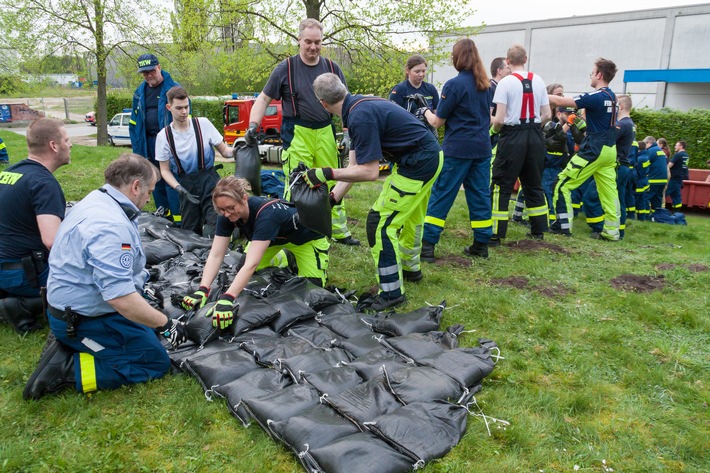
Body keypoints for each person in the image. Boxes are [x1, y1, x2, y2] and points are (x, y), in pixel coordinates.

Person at [23, 154, 187, 400]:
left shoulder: (99, 199)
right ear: (135, 186)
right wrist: (166, 324)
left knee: (146, 332)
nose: (149, 198)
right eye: (149, 191)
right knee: (153, 362)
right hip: (84, 318)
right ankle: (65, 370)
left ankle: (76, 343)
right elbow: (120, 298)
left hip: (77, 307)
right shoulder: (110, 226)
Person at [306, 73, 443, 311]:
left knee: (379, 224)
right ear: (344, 89)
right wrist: (332, 198)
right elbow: (354, 167)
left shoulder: (359, 116)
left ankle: (391, 293)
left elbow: (369, 172)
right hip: (429, 155)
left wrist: (326, 173)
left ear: (323, 104)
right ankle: (411, 270)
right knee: (410, 217)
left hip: (418, 163)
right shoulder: (359, 106)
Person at [246, 19, 358, 246]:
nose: (313, 47)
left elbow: (346, 103)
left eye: (317, 42)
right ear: (299, 40)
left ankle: (337, 228)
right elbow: (264, 99)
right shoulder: (285, 69)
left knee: (332, 178)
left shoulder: (332, 68)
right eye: (308, 42)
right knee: (298, 183)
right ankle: (295, 226)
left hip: (325, 130)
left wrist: (348, 131)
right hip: (297, 132)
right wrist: (252, 125)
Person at [180, 176, 330, 326]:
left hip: (305, 240)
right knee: (242, 268)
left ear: (244, 198)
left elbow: (251, 265)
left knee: (312, 289)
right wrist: (203, 289)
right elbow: (216, 254)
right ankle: (282, 257)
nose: (227, 214)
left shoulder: (267, 215)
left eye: (231, 208)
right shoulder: (226, 215)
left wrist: (227, 298)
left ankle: (289, 257)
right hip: (270, 240)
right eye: (221, 210)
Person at [418, 38, 492, 261]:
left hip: (457, 149)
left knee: (442, 194)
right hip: (481, 148)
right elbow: (488, 118)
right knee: (480, 195)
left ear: (458, 58)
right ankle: (481, 244)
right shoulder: (486, 84)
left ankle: (428, 246)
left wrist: (424, 112)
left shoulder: (454, 85)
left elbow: (437, 121)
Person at [0, 118, 70, 333]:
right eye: (67, 140)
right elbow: (52, 241)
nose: (71, 145)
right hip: (23, 274)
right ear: (54, 145)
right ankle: (21, 305)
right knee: (91, 286)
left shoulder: (9, 173)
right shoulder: (43, 183)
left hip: (6, 267)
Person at [549, 58, 621, 241]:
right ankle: (612, 232)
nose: (591, 75)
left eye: (592, 72)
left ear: (599, 74)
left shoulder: (596, 96)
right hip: (610, 150)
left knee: (562, 183)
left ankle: (562, 227)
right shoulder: (614, 98)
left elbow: (559, 100)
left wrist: (534, 93)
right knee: (609, 192)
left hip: (594, 149)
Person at [490, 44, 551, 244]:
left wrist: (498, 131)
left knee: (501, 184)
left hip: (512, 136)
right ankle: (538, 230)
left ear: (508, 61)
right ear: (525, 59)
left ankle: (497, 233)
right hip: (535, 135)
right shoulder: (539, 80)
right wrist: (533, 128)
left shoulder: (505, 83)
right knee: (533, 183)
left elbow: (499, 119)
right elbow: (547, 115)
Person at [155, 86, 234, 237]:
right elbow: (164, 170)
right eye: (179, 108)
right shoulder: (164, 136)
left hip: (210, 181)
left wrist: (240, 148)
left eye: (186, 107)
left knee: (216, 227)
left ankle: (218, 256)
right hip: (186, 185)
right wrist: (179, 188)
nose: (184, 112)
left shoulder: (203, 124)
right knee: (189, 233)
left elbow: (225, 152)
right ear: (169, 107)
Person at [129, 53, 182, 224]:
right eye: (144, 73)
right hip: (147, 143)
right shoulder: (139, 93)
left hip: (169, 143)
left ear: (159, 67)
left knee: (171, 180)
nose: (148, 75)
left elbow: (184, 119)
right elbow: (134, 124)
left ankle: (179, 221)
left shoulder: (174, 90)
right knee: (154, 179)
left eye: (151, 71)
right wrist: (138, 151)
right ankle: (163, 217)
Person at [581, 94, 636, 239]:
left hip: (615, 167)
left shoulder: (621, 124)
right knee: (618, 200)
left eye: (615, 106)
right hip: (623, 166)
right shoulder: (630, 124)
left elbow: (604, 138)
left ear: (621, 106)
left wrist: (587, 121)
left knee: (591, 197)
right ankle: (619, 231)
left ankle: (599, 228)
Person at [644, 135, 669, 211]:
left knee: (645, 197)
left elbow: (645, 165)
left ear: (649, 143)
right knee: (657, 199)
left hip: (653, 179)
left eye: (645, 144)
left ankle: (645, 215)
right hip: (662, 180)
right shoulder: (660, 150)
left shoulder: (650, 151)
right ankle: (657, 215)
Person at [667, 140, 689, 209]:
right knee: (676, 196)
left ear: (681, 146)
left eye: (676, 145)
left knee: (663, 193)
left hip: (673, 178)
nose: (675, 147)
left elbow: (669, 165)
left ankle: (657, 210)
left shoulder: (678, 155)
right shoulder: (686, 156)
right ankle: (676, 212)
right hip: (680, 178)